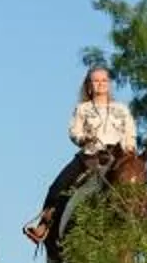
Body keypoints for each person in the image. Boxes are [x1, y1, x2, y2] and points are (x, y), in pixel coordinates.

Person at [22, 66, 139, 246]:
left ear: (108, 84)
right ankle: (43, 225)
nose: (100, 84)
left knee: (142, 186)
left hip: (118, 159)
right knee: (57, 186)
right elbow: (74, 132)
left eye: (104, 81)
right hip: (90, 158)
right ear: (89, 85)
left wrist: (130, 149)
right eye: (96, 81)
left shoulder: (121, 109)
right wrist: (83, 138)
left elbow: (130, 132)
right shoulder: (82, 109)